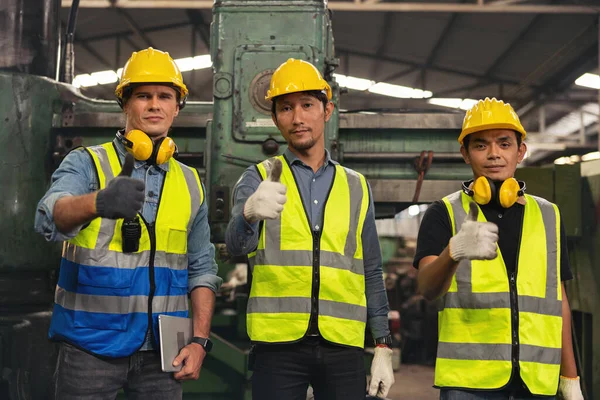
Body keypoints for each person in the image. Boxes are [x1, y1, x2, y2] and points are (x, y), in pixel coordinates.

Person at [34, 47, 221, 399]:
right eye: (143, 96)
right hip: (90, 347)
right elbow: (49, 217)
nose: (154, 105)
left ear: (177, 106)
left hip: (166, 353)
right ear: (125, 104)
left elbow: (201, 268)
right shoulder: (88, 163)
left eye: (165, 96)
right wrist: (97, 202)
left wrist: (199, 341)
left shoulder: (190, 182)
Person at [225, 58, 395, 400]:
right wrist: (247, 213)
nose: (298, 117)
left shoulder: (356, 186)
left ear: (327, 110)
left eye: (307, 105)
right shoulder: (258, 177)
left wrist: (382, 346)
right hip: (277, 347)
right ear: (275, 118)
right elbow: (235, 247)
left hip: (343, 346)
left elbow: (371, 271)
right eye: (286, 108)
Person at [414, 97, 584, 399]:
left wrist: (570, 376)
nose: (494, 154)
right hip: (469, 382)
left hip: (536, 380)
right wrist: (453, 252)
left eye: (504, 144)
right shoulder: (444, 213)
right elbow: (426, 288)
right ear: (465, 153)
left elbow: (558, 299)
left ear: (521, 151)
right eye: (480, 145)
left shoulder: (548, 215)